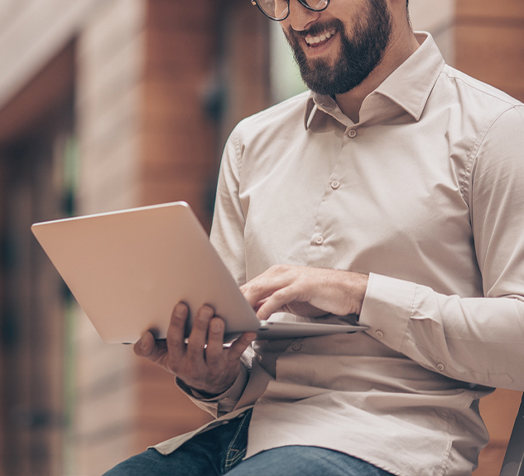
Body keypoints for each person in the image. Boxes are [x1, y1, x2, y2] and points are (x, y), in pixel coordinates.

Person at [105, 0, 524, 474]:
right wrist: (212, 376)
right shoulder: (251, 145)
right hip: (246, 437)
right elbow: (240, 362)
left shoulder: (496, 132)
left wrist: (359, 293)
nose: (299, 19)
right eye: (278, 1)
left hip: (386, 443)